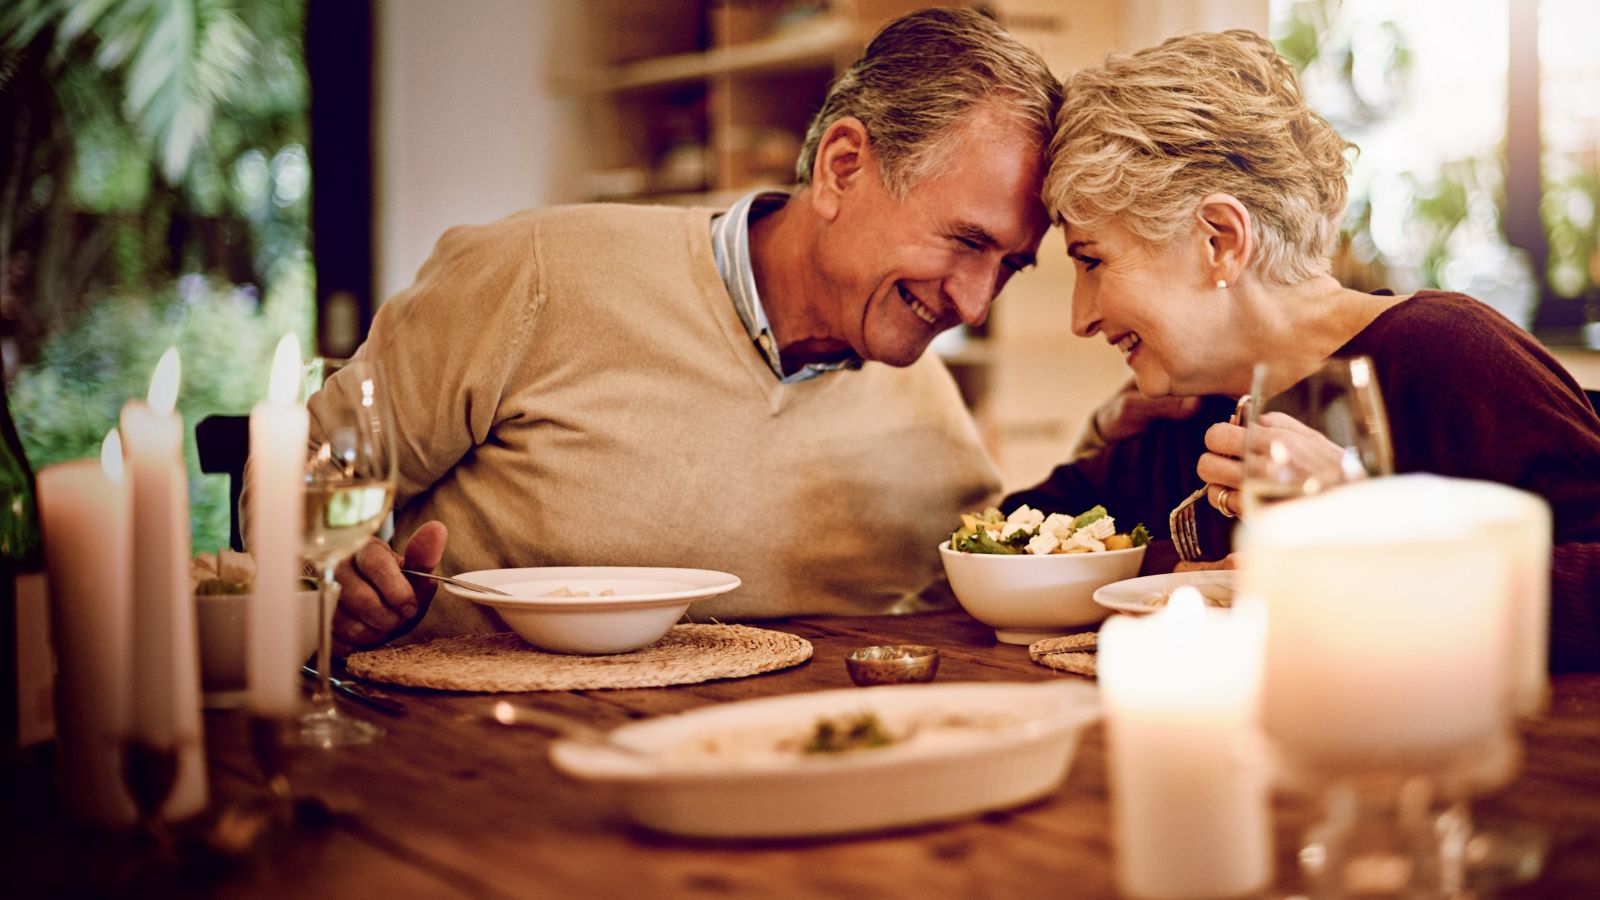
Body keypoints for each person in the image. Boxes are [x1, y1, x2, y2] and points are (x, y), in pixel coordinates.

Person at [311, 8, 1061, 652]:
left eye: (1009, 267)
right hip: (458, 753)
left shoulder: (922, 392)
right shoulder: (538, 271)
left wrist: (1122, 442)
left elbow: (1002, 567)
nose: (974, 304)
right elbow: (307, 462)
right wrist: (329, 570)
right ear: (842, 168)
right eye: (965, 241)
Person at [1003, 30, 1600, 670]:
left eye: (1092, 261)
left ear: (1221, 241)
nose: (1081, 318)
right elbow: (1008, 537)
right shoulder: (1189, 413)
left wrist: (1366, 528)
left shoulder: (1448, 355)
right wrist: (1100, 436)